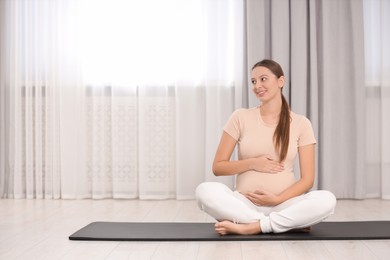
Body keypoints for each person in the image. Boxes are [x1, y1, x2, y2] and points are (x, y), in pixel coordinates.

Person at [195, 59, 336, 235]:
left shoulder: (301, 123)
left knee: (327, 200)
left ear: (280, 81)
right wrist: (253, 163)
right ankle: (282, 223)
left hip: (286, 204)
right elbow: (218, 167)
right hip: (245, 203)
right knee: (205, 191)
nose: (257, 85)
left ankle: (252, 227)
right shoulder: (240, 117)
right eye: (253, 81)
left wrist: (277, 199)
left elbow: (308, 180)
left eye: (263, 79)